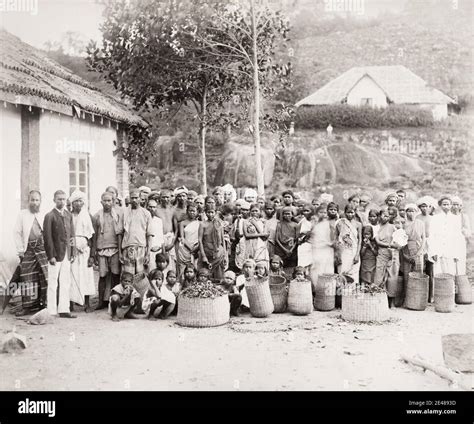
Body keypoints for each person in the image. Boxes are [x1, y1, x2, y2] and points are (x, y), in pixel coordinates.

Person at [8, 190, 48, 316]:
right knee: (27, 277)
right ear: (28, 201)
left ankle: (43, 304)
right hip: (28, 249)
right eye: (32, 200)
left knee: (44, 277)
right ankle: (27, 306)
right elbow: (17, 232)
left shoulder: (44, 214)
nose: (35, 202)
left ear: (40, 201)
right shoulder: (22, 215)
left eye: (37, 200)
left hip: (42, 249)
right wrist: (20, 250)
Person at [43, 190, 76, 318]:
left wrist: (72, 252)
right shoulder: (49, 216)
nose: (61, 201)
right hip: (55, 255)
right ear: (54, 200)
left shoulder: (68, 215)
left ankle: (64, 309)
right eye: (59, 199)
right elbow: (47, 237)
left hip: (67, 254)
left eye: (63, 199)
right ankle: (51, 310)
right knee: (52, 283)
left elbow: (72, 235)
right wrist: (50, 255)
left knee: (65, 282)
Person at [92, 192, 124, 310]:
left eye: (109, 200)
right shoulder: (96, 216)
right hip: (102, 249)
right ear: (101, 202)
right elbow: (94, 235)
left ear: (113, 201)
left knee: (116, 275)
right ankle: (101, 302)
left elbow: (120, 234)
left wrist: (120, 251)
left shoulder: (118, 215)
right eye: (105, 200)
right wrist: (94, 252)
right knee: (102, 276)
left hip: (115, 249)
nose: (107, 203)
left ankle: (114, 301)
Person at [69, 190, 95, 313]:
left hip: (85, 250)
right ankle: (71, 303)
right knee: (72, 276)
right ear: (72, 203)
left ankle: (87, 303)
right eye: (76, 201)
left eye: (81, 201)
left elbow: (92, 237)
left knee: (86, 276)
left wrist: (92, 256)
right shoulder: (68, 216)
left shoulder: (87, 216)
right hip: (72, 249)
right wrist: (71, 248)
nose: (78, 204)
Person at [374, 209, 403, 308]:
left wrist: (396, 246)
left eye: (387, 216)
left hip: (393, 254)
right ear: (380, 216)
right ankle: (377, 301)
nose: (385, 218)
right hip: (381, 254)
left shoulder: (393, 227)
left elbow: (400, 240)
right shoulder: (377, 228)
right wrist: (389, 245)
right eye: (383, 216)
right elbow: (378, 241)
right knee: (378, 277)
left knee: (392, 278)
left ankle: (391, 302)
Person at [121, 189, 153, 276]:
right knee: (127, 277)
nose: (134, 200)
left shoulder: (146, 213)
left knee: (140, 277)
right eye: (132, 198)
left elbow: (149, 235)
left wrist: (148, 253)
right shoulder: (124, 212)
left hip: (141, 248)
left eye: (136, 198)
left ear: (140, 198)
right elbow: (120, 233)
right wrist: (120, 252)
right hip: (127, 248)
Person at [429, 196, 460, 276]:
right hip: (438, 250)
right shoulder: (435, 218)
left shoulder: (455, 219)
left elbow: (457, 237)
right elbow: (432, 236)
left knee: (450, 274)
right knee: (438, 273)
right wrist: (433, 252)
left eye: (448, 204)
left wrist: (457, 254)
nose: (446, 206)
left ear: (451, 205)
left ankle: (450, 289)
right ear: (440, 205)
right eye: (444, 204)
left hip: (450, 250)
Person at [198, 206, 227, 281]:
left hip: (218, 252)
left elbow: (222, 239)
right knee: (206, 275)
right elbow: (200, 241)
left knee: (219, 276)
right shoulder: (202, 224)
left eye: (212, 212)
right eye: (208, 212)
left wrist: (224, 255)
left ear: (215, 213)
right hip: (207, 252)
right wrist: (203, 256)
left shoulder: (219, 223)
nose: (210, 214)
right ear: (205, 213)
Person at [335, 205, 362, 284]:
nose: (350, 214)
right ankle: (342, 294)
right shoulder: (340, 223)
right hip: (343, 252)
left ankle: (352, 295)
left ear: (355, 213)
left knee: (353, 274)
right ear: (344, 213)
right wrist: (338, 254)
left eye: (352, 212)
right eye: (348, 212)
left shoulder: (358, 224)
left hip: (354, 251)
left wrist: (357, 255)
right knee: (342, 273)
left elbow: (360, 240)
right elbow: (336, 239)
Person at [416, 196, 436, 301]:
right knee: (419, 269)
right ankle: (419, 294)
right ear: (420, 207)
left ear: (430, 207)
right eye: (423, 206)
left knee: (431, 269)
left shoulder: (433, 218)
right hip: (419, 242)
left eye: (427, 206)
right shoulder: (417, 217)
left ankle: (431, 296)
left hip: (431, 243)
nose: (425, 208)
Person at [402, 203, 426, 291]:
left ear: (416, 212)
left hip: (418, 248)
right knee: (407, 274)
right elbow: (401, 239)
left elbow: (424, 238)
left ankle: (418, 297)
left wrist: (420, 251)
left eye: (413, 211)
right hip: (406, 248)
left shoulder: (420, 223)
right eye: (409, 211)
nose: (411, 213)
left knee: (418, 273)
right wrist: (405, 254)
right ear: (406, 212)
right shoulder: (403, 224)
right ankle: (407, 297)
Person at [310, 204, 335, 284]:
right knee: (317, 269)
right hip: (317, 250)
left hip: (327, 250)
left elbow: (332, 238)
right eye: (321, 212)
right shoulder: (314, 224)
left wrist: (329, 243)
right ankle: (316, 288)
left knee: (327, 269)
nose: (323, 214)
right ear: (317, 213)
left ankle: (326, 290)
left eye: (324, 212)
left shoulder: (330, 224)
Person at [156, 189, 177, 272]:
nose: (165, 199)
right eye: (163, 197)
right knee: (161, 261)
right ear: (160, 198)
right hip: (160, 238)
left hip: (171, 237)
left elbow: (176, 228)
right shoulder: (156, 210)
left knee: (172, 262)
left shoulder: (173, 209)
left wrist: (172, 242)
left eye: (167, 197)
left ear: (170, 198)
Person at [177, 204, 200, 277]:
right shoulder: (182, 223)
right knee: (183, 270)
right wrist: (190, 248)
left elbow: (201, 237)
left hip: (196, 247)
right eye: (190, 211)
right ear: (187, 211)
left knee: (195, 268)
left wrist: (196, 247)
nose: (192, 213)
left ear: (197, 212)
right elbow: (182, 237)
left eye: (194, 211)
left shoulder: (200, 223)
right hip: (185, 248)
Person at [275, 206, 299, 276]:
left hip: (292, 249)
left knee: (291, 267)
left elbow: (297, 239)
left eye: (288, 214)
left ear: (292, 215)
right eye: (285, 214)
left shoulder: (296, 225)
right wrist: (285, 250)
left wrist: (291, 250)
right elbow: (277, 239)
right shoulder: (279, 224)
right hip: (281, 249)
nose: (287, 215)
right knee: (281, 267)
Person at [451, 196, 471, 275]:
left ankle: (460, 281)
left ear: (460, 206)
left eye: (457, 204)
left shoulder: (464, 217)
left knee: (460, 262)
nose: (455, 206)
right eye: (453, 204)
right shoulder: (449, 216)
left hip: (460, 242)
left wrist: (464, 231)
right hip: (450, 241)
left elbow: (468, 231)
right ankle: (452, 284)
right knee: (451, 262)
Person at [147, 198, 165, 272]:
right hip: (148, 251)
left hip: (158, 250)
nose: (152, 209)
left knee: (159, 272)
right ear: (147, 207)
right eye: (150, 207)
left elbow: (161, 237)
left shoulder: (159, 221)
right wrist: (149, 249)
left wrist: (163, 252)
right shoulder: (144, 220)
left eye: (154, 207)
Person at [297, 203, 314, 273]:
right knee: (303, 265)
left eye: (308, 211)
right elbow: (299, 234)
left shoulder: (315, 221)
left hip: (314, 245)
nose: (305, 213)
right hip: (304, 245)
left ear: (312, 211)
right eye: (304, 211)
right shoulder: (302, 222)